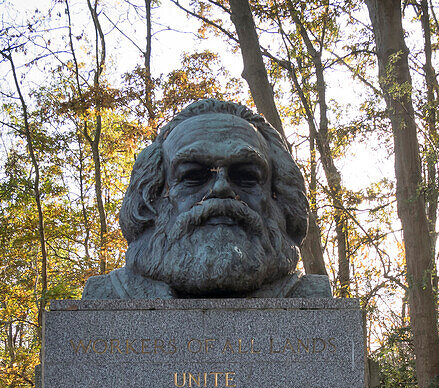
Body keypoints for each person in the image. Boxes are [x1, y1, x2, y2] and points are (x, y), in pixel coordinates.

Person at [83, 99, 332, 300]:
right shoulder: (107, 295)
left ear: (277, 195)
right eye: (193, 175)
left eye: (246, 176)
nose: (222, 188)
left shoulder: (311, 297)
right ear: (154, 195)